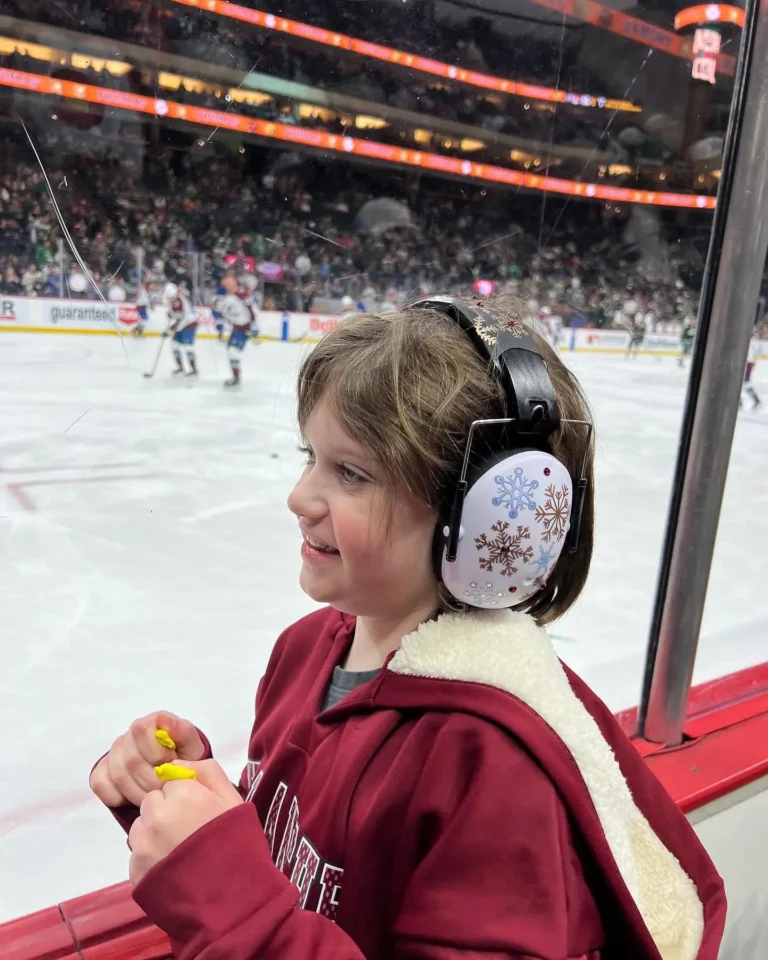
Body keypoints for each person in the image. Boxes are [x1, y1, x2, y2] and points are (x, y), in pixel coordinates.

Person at [90, 298, 725, 960]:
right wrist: (187, 803)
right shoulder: (302, 652)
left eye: (351, 473)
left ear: (483, 522)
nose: (298, 497)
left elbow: (260, 913)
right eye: (311, 455)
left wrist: (227, 898)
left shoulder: (492, 765)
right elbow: (299, 859)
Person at [214, 271, 257, 388]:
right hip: (236, 329)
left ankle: (236, 378)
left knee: (233, 351)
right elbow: (220, 311)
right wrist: (219, 321)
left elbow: (252, 310)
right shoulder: (224, 297)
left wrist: (254, 325)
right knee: (231, 351)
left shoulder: (243, 295)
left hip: (244, 329)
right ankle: (235, 376)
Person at [164, 282, 198, 378]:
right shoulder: (173, 301)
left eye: (171, 297)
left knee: (188, 347)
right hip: (181, 325)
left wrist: (169, 330)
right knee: (174, 346)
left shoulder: (180, 301)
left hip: (189, 325)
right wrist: (170, 314)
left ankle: (194, 369)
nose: (170, 299)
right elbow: (174, 315)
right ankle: (180, 367)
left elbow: (181, 319)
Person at [741, 334, 761, 409]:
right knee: (743, 384)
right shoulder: (750, 343)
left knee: (745, 384)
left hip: (747, 365)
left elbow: (750, 358)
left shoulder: (749, 344)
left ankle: (756, 400)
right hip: (747, 364)